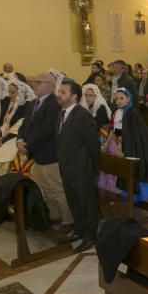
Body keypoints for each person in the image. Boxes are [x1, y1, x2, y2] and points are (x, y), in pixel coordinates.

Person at [18, 73, 69, 228]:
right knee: (45, 189)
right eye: (33, 81)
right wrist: (19, 139)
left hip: (49, 153)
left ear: (52, 86)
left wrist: (28, 146)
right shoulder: (32, 103)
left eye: (39, 82)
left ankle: (68, 221)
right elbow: (24, 124)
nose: (35, 84)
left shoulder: (54, 103)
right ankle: (54, 216)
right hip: (37, 154)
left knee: (57, 189)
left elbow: (46, 130)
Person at [54, 81, 101, 253]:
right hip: (67, 167)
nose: (59, 94)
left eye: (63, 92)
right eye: (59, 91)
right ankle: (80, 230)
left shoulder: (82, 115)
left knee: (86, 203)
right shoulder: (61, 113)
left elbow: (93, 144)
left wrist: (92, 169)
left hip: (82, 169)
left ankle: (90, 236)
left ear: (74, 97)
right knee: (74, 201)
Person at [98, 88, 148, 201]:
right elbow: (113, 130)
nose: (118, 101)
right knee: (118, 170)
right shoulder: (117, 112)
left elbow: (128, 134)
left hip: (130, 145)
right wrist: (106, 144)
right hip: (118, 143)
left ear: (128, 98)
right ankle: (122, 195)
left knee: (131, 170)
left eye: (121, 98)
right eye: (116, 99)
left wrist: (121, 148)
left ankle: (136, 196)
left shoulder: (131, 113)